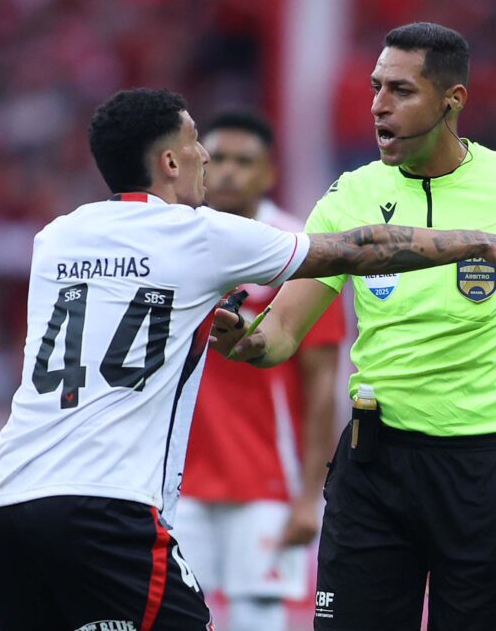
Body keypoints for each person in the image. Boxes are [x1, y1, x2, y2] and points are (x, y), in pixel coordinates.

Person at [0, 87, 496, 631]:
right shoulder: (200, 234)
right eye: (195, 143)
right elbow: (362, 248)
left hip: (9, 497)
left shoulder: (56, 236)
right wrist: (482, 241)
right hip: (108, 505)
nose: (207, 157)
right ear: (169, 164)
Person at [211, 23, 496, 630]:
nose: (377, 104)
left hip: (484, 475)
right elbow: (283, 333)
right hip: (375, 468)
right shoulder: (350, 195)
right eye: (376, 87)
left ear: (451, 100)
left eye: (400, 90)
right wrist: (247, 341)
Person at [175, 110, 346, 631]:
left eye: (243, 161)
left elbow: (321, 384)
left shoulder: (300, 252)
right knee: (176, 617)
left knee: (257, 619)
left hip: (268, 479)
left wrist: (308, 495)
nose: (226, 172)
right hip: (176, 479)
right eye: (217, 158)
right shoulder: (175, 238)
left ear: (269, 173)